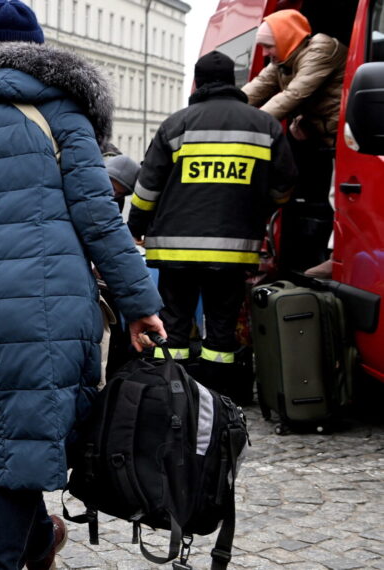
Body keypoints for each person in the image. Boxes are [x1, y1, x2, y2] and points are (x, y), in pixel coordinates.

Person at [0, 2, 165, 568]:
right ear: (41, 54)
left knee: (19, 444)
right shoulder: (65, 116)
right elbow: (99, 221)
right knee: (24, 458)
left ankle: (42, 542)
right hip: (46, 312)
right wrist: (138, 304)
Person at [129, 51, 297, 405]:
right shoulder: (264, 125)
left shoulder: (176, 124)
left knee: (172, 328)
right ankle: (218, 399)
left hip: (174, 251)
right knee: (221, 330)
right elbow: (284, 187)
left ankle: (170, 396)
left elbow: (147, 188)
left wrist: (136, 225)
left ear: (198, 82)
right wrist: (256, 208)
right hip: (233, 251)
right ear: (233, 82)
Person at [242, 9, 345, 274]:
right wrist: (221, 111)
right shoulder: (282, 62)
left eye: (268, 45)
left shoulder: (321, 50)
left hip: (347, 138)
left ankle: (338, 255)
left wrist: (245, 126)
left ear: (287, 38)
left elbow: (293, 95)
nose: (265, 53)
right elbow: (251, 91)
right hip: (325, 139)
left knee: (341, 197)